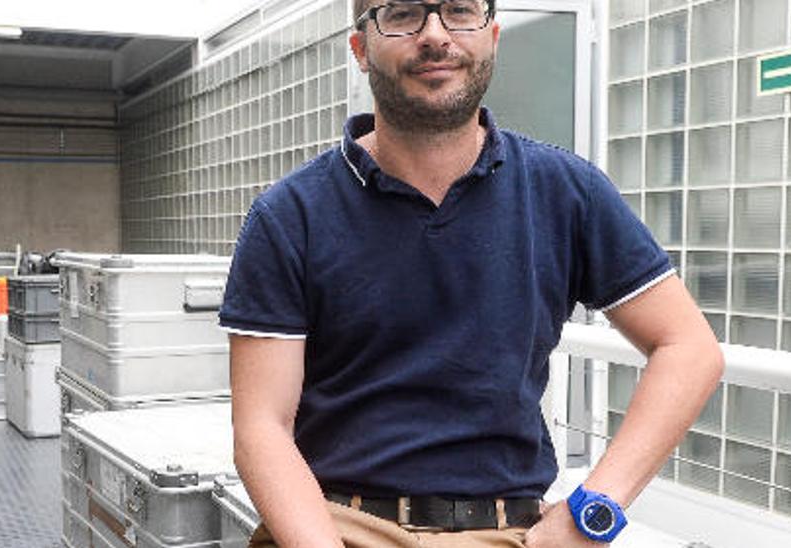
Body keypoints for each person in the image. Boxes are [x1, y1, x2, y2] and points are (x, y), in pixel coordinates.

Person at [218, 0, 724, 546]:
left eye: (459, 11)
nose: (435, 35)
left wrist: (593, 510)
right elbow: (262, 428)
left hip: (507, 531)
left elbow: (689, 348)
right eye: (403, 13)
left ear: (493, 37)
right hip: (335, 523)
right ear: (361, 49)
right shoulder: (290, 214)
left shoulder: (566, 192)